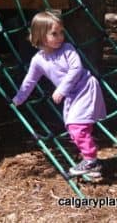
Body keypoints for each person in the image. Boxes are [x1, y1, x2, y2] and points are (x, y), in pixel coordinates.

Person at [12, 10, 106, 178]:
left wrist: (62, 88)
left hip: (85, 88)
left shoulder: (67, 49)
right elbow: (30, 80)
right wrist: (19, 98)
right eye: (54, 34)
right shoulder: (38, 60)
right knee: (77, 127)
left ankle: (91, 161)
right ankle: (92, 164)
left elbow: (76, 69)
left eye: (61, 32)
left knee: (76, 126)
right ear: (40, 36)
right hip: (73, 95)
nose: (60, 37)